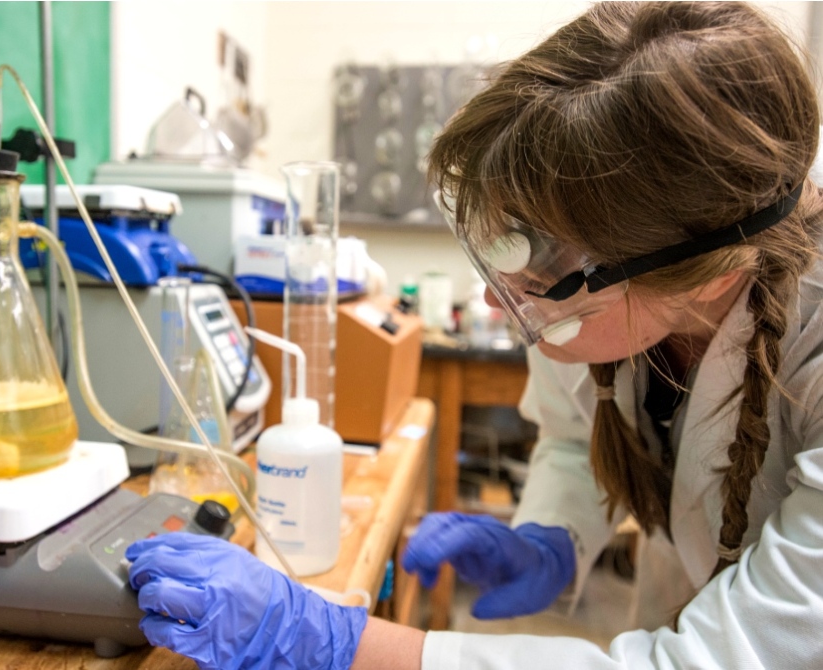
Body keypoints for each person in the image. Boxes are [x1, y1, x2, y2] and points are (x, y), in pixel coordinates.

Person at [124, 2, 823, 668]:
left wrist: (330, 642)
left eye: (543, 260)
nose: (498, 295)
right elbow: (580, 434)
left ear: (702, 273)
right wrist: (552, 539)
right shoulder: (606, 295)